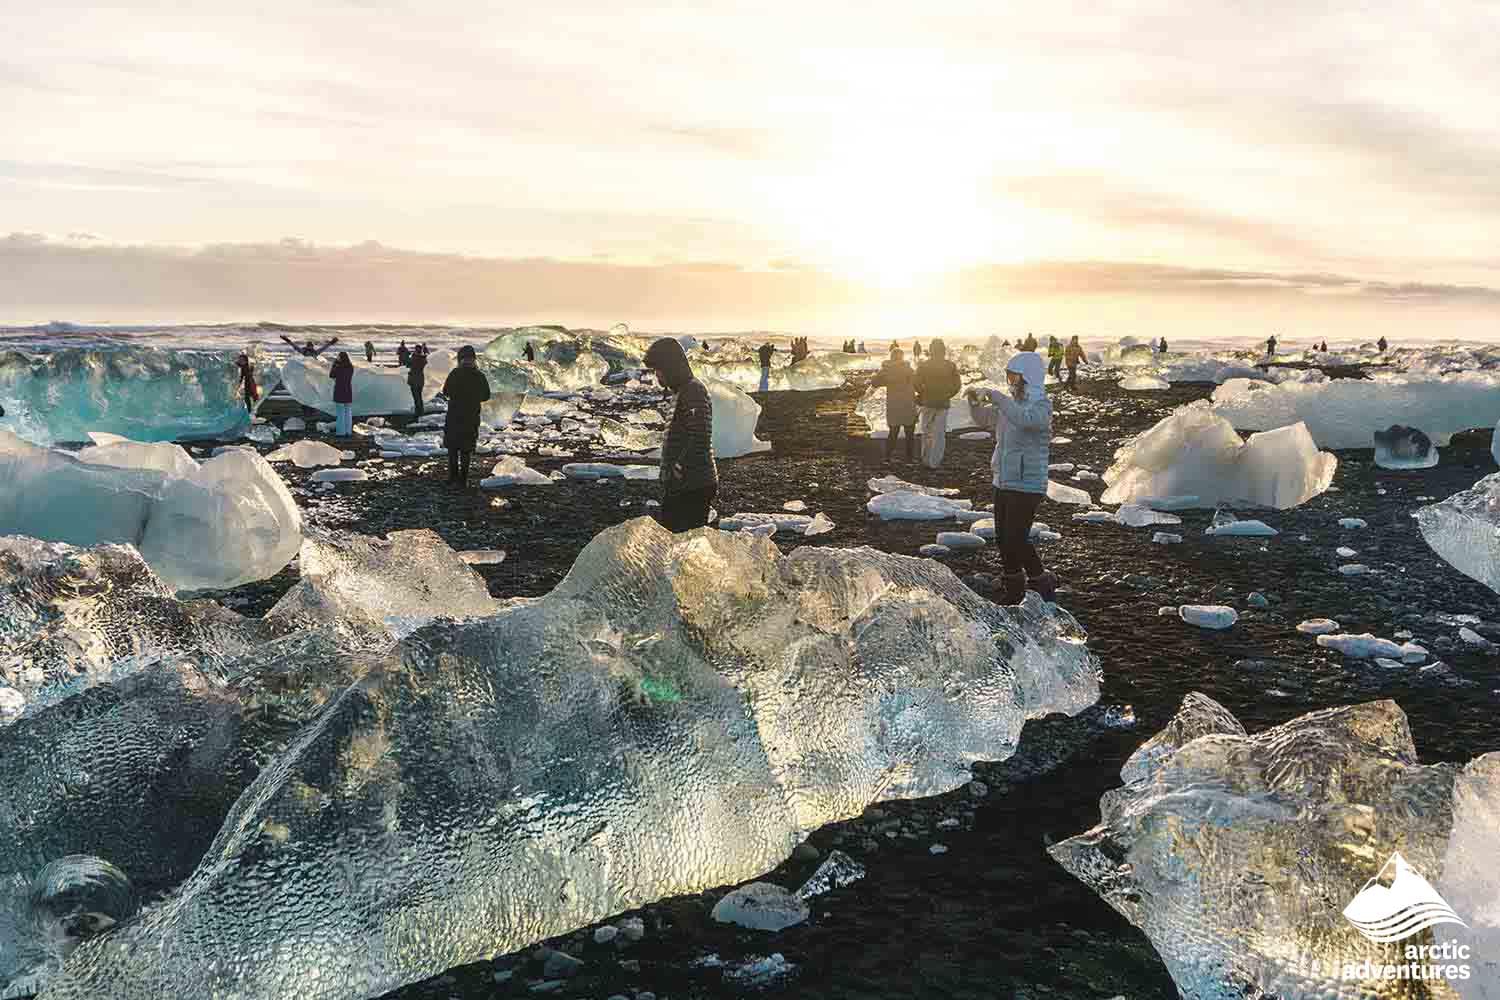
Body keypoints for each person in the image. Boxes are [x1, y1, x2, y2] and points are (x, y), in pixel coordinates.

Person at [966, 351, 1056, 604]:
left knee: (1016, 537)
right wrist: (975, 404)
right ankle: (1014, 585)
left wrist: (997, 397)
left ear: (1028, 376)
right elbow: (987, 419)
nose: (1010, 381)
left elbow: (1027, 422)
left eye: (1014, 376)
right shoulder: (1011, 405)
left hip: (1027, 482)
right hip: (1004, 479)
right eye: (1009, 376)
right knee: (1004, 537)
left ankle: (1040, 580)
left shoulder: (1041, 405)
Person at [644, 337, 717, 531]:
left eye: (659, 370)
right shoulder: (682, 391)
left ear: (670, 367)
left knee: (684, 541)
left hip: (693, 484)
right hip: (684, 483)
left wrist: (678, 467)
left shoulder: (693, 391)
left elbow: (700, 435)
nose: (657, 375)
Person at [441, 345, 492, 484]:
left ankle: (452, 477)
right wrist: (474, 397)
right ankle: (463, 479)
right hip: (471, 415)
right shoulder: (479, 376)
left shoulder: (455, 373)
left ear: (460, 359)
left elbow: (445, 391)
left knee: (452, 448)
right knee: (466, 448)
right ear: (474, 359)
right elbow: (486, 396)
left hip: (454, 415)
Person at [914, 338, 961, 469]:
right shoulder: (950, 365)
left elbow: (916, 383)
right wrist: (947, 394)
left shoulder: (924, 365)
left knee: (927, 431)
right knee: (939, 434)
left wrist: (923, 394)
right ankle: (935, 462)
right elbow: (957, 385)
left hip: (928, 402)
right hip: (943, 403)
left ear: (931, 350)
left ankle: (925, 458)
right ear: (943, 350)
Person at [870, 347, 917, 463]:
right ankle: (909, 459)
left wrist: (882, 374)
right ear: (902, 357)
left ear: (891, 357)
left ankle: (887, 457)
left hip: (893, 404)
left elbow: (875, 382)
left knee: (893, 432)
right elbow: (917, 384)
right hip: (908, 403)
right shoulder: (908, 369)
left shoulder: (886, 370)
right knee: (909, 433)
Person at [329, 351, 355, 436]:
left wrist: (334, 364)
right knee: (348, 412)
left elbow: (331, 375)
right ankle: (348, 431)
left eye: (338, 357)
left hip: (339, 390)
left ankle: (341, 432)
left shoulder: (338, 367)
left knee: (340, 413)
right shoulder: (351, 367)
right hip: (348, 390)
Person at [407, 344, 428, 417]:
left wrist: (411, 356)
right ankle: (420, 411)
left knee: (416, 397)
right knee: (419, 396)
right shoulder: (423, 359)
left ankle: (418, 413)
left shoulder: (415, 358)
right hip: (420, 380)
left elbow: (408, 364)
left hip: (414, 379)